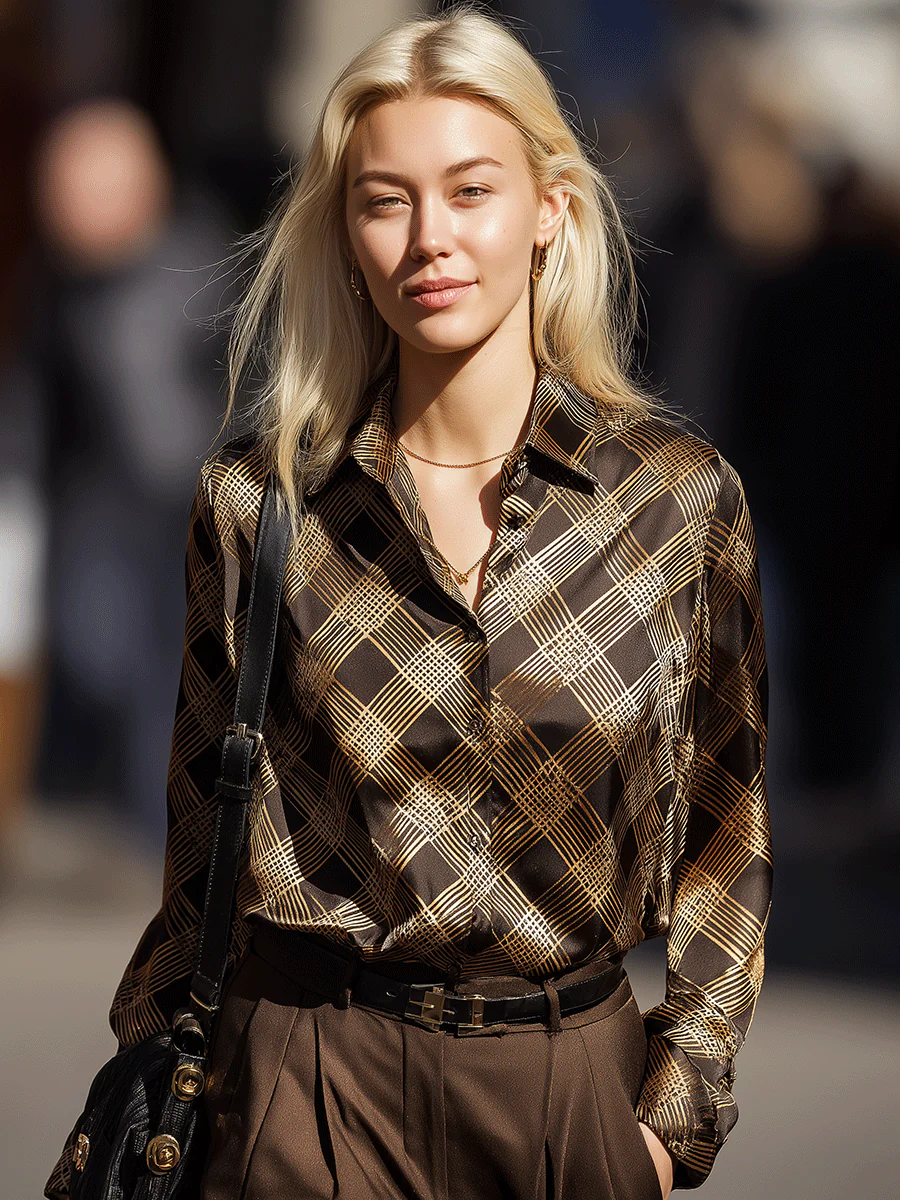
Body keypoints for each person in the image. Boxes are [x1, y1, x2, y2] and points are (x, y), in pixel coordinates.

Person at [46, 4, 772, 1198]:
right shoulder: (262, 504)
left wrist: (665, 1124)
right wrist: (158, 1091)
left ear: (551, 209)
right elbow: (199, 858)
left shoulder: (677, 507)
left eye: (471, 190)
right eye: (385, 201)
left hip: (565, 1096)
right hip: (304, 1090)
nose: (430, 238)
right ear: (345, 233)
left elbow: (725, 844)